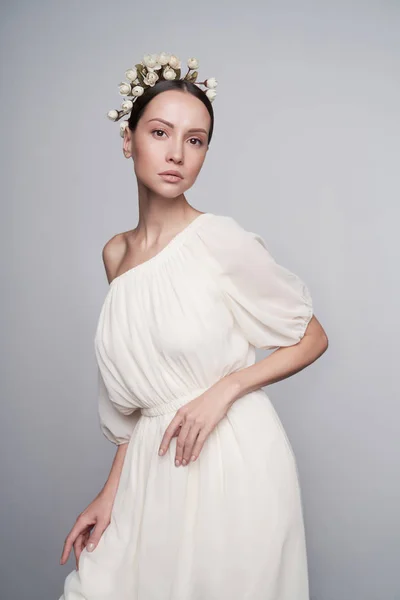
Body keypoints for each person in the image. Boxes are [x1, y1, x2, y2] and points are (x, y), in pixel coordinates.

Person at [58, 52, 328, 600]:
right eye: (160, 133)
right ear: (128, 139)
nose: (177, 153)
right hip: (151, 470)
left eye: (196, 140)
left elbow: (313, 336)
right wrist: (111, 494)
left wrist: (224, 390)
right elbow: (139, 406)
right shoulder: (116, 255)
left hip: (232, 463)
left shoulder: (218, 240)